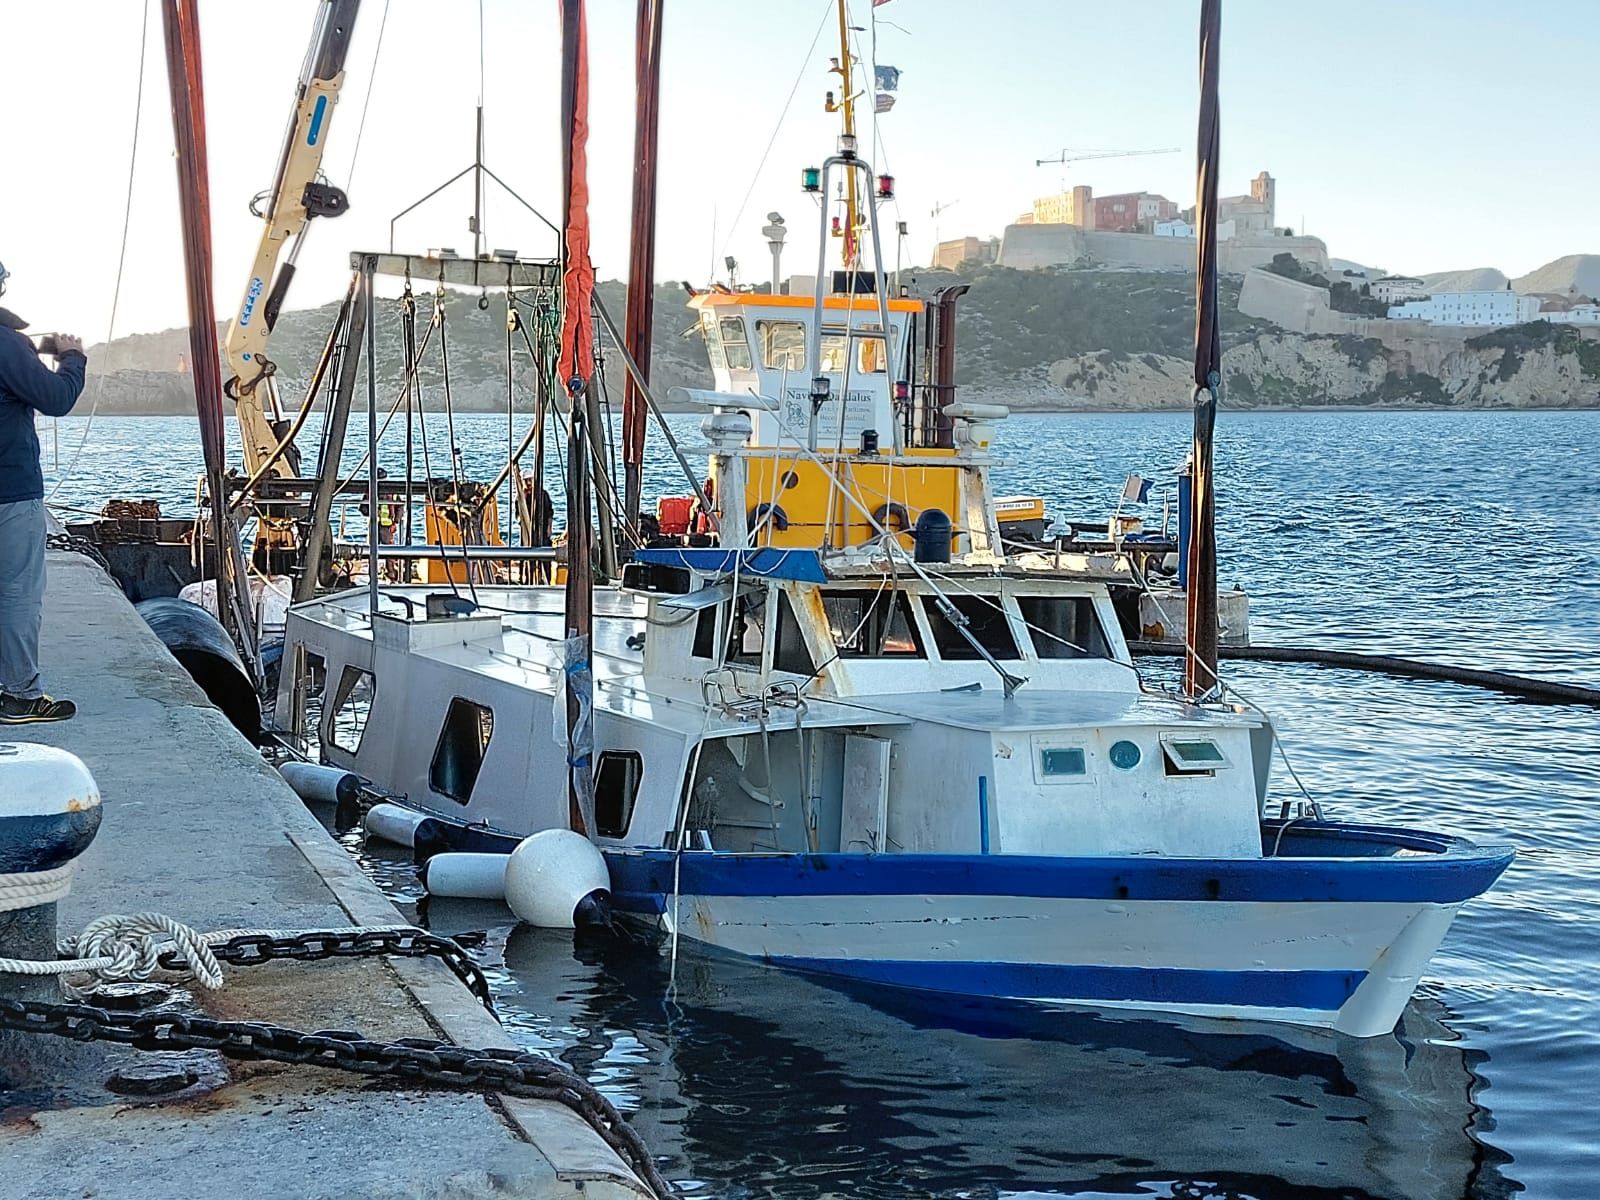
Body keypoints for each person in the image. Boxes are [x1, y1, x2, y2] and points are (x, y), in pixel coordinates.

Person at [0, 260, 87, 723]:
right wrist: (72, 358)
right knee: (16, 591)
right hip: (9, 491)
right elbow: (55, 398)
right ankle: (18, 696)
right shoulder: (7, 344)